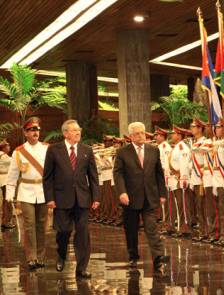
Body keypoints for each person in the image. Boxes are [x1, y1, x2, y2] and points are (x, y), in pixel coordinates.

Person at [43, 119, 100, 279]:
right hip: (61, 199)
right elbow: (47, 177)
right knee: (64, 231)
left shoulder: (86, 150)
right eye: (74, 130)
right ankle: (61, 255)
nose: (78, 133)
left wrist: (96, 196)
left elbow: (93, 176)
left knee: (83, 233)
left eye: (79, 130)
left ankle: (81, 268)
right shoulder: (54, 150)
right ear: (65, 133)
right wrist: (50, 198)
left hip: (82, 198)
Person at [113, 122, 169, 270]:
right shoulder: (123, 152)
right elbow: (118, 174)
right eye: (137, 133)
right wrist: (122, 192)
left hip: (150, 196)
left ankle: (158, 258)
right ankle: (133, 256)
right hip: (130, 198)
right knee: (131, 230)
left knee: (152, 228)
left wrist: (162, 193)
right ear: (131, 136)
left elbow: (159, 173)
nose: (141, 136)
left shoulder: (153, 150)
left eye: (143, 132)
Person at [6, 118, 48, 270]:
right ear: (25, 133)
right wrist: (10, 193)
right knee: (29, 225)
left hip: (43, 191)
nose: (35, 132)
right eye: (31, 130)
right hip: (26, 192)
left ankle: (41, 257)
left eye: (36, 129)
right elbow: (12, 174)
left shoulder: (47, 148)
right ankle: (31, 258)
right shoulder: (19, 152)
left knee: (41, 225)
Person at [168, 126, 192, 237]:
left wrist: (183, 178)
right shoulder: (177, 147)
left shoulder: (182, 148)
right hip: (175, 179)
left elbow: (184, 164)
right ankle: (181, 227)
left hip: (180, 179)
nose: (172, 135)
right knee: (179, 205)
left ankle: (185, 228)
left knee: (183, 205)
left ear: (179, 135)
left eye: (174, 133)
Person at [190, 119, 208, 241]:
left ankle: (206, 232)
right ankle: (202, 231)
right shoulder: (194, 143)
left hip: (203, 178)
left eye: (194, 126)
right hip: (195, 178)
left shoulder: (206, 142)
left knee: (204, 206)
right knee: (198, 206)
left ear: (200, 128)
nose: (192, 129)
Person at [0, 139, 14, 232]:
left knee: (6, 201)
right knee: (7, 201)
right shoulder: (3, 156)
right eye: (7, 146)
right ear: (3, 148)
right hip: (5, 180)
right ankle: (5, 222)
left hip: (4, 180)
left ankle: (5, 221)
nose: (9, 147)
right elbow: (15, 162)